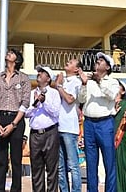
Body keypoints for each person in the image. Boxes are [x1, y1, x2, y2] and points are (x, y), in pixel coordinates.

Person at [0, 49, 31, 192]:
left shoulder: (24, 78)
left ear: (17, 60)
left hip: (16, 119)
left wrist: (13, 124)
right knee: (0, 158)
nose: (8, 54)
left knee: (16, 159)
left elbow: (25, 103)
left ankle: (15, 189)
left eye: (11, 53)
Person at [78, 51, 120, 192]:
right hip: (89, 123)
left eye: (101, 61)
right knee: (91, 163)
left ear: (108, 67)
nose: (97, 61)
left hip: (105, 123)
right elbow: (81, 100)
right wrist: (84, 84)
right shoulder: (88, 81)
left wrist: (99, 81)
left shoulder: (112, 82)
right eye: (97, 60)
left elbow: (112, 95)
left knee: (109, 163)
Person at [26, 66, 61, 192]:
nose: (39, 74)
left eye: (42, 72)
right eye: (39, 72)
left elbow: (56, 113)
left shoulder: (54, 93)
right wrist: (36, 103)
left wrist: (44, 101)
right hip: (35, 134)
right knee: (36, 169)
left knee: (52, 169)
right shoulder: (31, 93)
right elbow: (26, 113)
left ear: (48, 78)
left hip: (50, 132)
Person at [53, 58, 83, 192]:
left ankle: (76, 190)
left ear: (76, 69)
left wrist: (59, 86)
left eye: (71, 63)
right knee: (60, 165)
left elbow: (70, 99)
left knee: (73, 165)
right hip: (58, 125)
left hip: (69, 128)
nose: (67, 63)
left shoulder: (77, 82)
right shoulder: (62, 80)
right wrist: (58, 84)